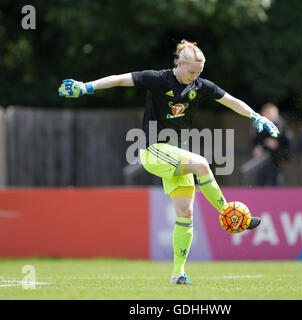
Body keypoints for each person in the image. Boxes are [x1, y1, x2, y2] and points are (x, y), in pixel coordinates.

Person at [58, 39, 280, 285]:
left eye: (200, 73)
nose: (195, 77)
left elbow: (229, 99)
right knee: (202, 165)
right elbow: (120, 78)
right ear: (180, 63)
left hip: (176, 153)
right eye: (192, 72)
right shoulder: (158, 78)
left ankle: (178, 274)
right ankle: (230, 215)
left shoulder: (199, 84)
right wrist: (86, 87)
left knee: (185, 214)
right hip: (152, 150)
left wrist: (255, 116)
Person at [250, 103, 292, 186]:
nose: (270, 116)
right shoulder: (257, 125)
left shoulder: (282, 125)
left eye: (272, 113)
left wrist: (277, 145)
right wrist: (257, 147)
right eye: (268, 113)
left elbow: (287, 142)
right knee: (259, 184)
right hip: (262, 160)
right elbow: (255, 142)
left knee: (276, 185)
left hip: (277, 160)